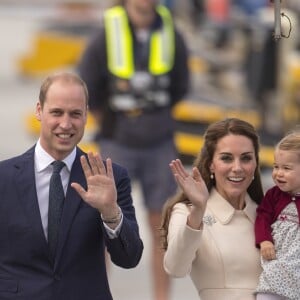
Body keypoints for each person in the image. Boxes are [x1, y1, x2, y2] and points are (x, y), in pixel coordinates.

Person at [78, 0, 189, 299]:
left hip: (160, 143)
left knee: (161, 228)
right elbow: (86, 82)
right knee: (104, 224)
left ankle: (161, 297)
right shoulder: (107, 31)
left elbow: (181, 84)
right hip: (118, 141)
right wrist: (110, 118)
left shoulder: (170, 32)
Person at [0, 72, 143, 300]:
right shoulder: (4, 178)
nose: (65, 124)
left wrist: (110, 212)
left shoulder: (111, 177)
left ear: (86, 115)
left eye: (75, 114)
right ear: (39, 110)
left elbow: (129, 258)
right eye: (57, 112)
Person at [161, 117, 264, 300]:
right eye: (226, 158)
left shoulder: (270, 214)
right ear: (211, 165)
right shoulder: (188, 213)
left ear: (255, 163)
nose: (237, 168)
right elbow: (175, 268)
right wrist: (198, 210)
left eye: (246, 158)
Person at [255, 131, 300, 300]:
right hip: (277, 266)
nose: (278, 173)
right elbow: (262, 218)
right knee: (266, 295)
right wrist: (264, 240)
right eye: (276, 166)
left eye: (286, 168)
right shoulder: (274, 195)